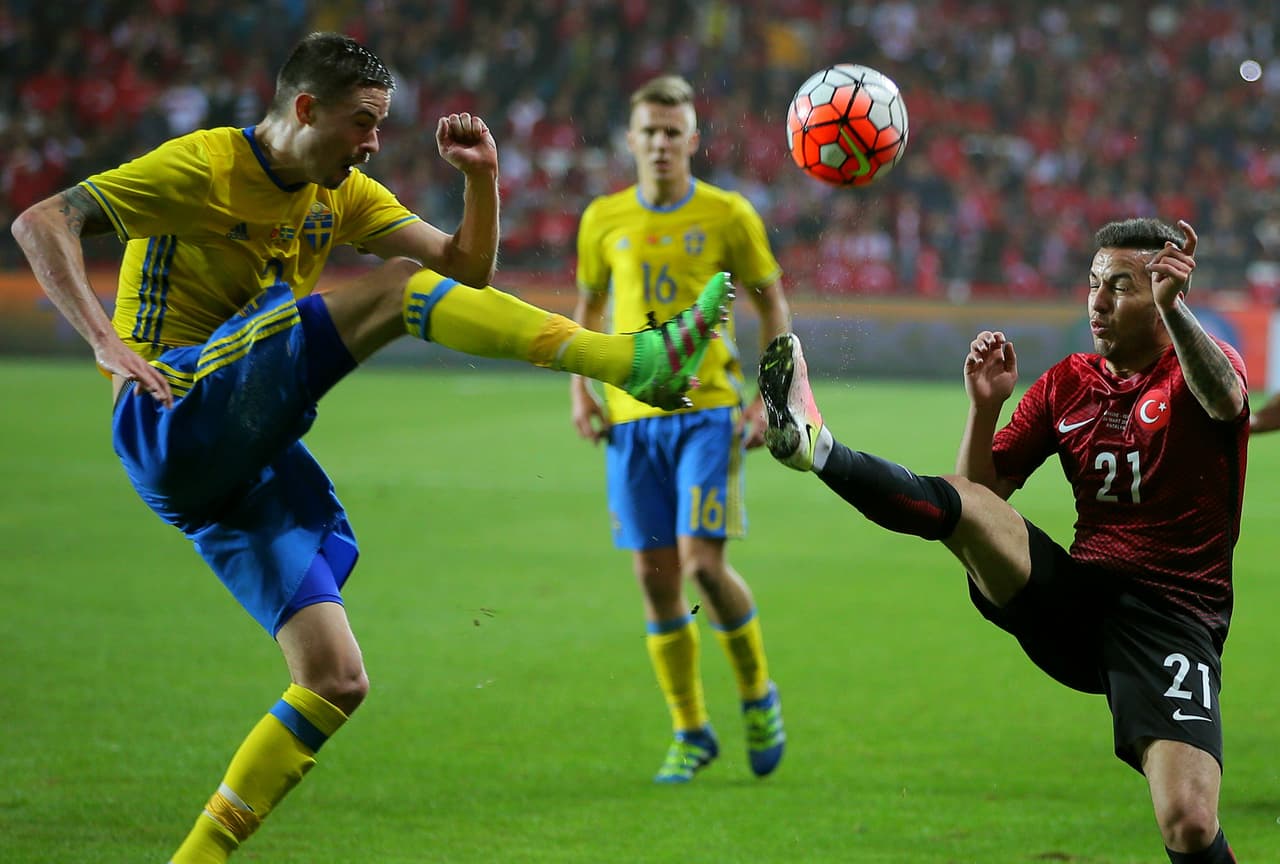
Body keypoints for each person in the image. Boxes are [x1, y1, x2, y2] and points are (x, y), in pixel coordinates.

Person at [10, 33, 733, 864]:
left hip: (236, 463)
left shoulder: (340, 195)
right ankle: (626, 361)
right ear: (306, 108)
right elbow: (44, 219)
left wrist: (481, 181)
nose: (372, 144)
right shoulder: (204, 166)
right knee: (388, 291)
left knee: (334, 680)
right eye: (362, 124)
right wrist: (103, 339)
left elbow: (465, 271)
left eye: (379, 127)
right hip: (172, 410)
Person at [758, 218, 1245, 863]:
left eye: (1121, 288)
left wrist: (1176, 313)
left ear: (1162, 294)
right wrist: (983, 408)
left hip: (1172, 621)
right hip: (1076, 602)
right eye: (1094, 284)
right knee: (970, 513)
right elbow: (977, 498)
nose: (1098, 301)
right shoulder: (1069, 382)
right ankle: (818, 447)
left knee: (1187, 822)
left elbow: (1225, 399)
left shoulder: (1197, 369)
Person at [570, 74, 792, 783]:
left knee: (701, 564)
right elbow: (587, 309)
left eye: (674, 132)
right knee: (655, 577)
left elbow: (772, 304)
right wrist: (582, 388)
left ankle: (757, 693)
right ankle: (691, 729)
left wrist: (770, 394)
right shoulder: (602, 219)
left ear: (693, 140)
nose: (662, 143)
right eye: (650, 132)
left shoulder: (729, 214)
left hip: (709, 411)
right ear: (631, 141)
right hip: (633, 421)